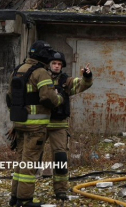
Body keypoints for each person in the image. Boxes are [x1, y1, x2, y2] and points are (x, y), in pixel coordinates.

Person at [7, 41, 63, 207]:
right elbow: (48, 97)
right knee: (29, 163)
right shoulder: (40, 73)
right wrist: (59, 98)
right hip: (35, 126)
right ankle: (25, 200)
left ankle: (15, 198)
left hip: (19, 123)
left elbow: (9, 97)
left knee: (20, 161)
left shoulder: (18, 70)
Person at [45, 51, 93, 201]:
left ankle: (60, 190)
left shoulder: (66, 81)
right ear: (49, 64)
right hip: (39, 124)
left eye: (59, 64)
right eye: (54, 63)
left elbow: (82, 84)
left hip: (58, 124)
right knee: (33, 157)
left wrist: (87, 75)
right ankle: (26, 192)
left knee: (60, 157)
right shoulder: (40, 78)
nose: (57, 66)